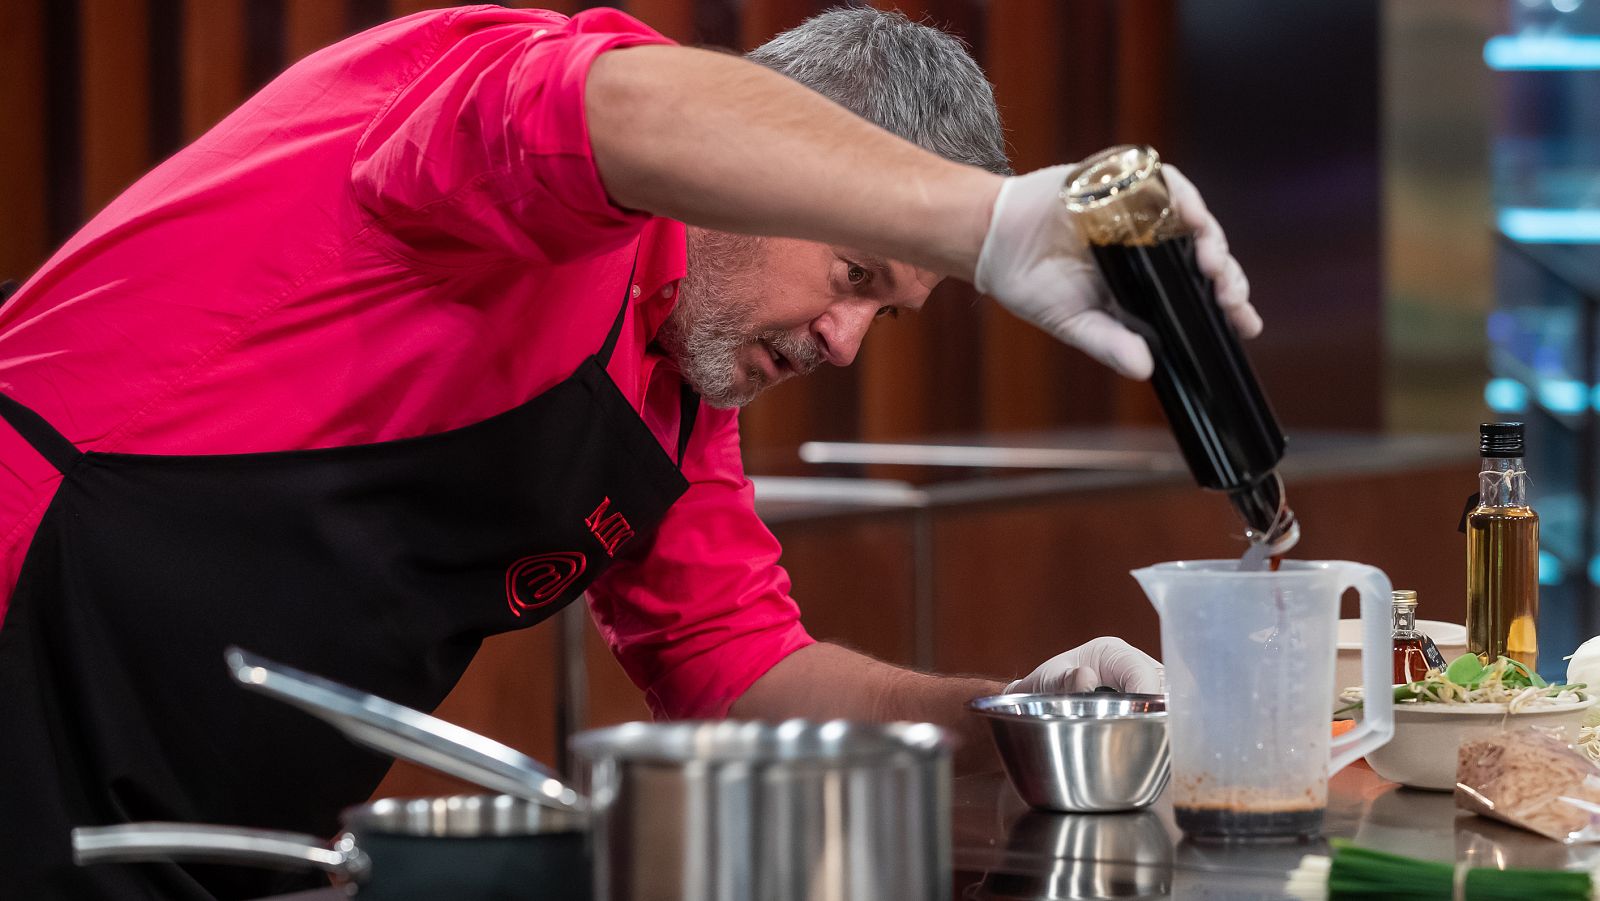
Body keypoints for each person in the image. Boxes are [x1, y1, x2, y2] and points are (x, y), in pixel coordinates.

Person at [0, 5, 1257, 898]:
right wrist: (987, 222)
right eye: (852, 272)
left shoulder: (678, 403)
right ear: (759, 169)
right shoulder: (494, 120)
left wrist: (1019, 714)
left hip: (219, 818)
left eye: (890, 305)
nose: (845, 337)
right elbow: (621, 102)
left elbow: (742, 670)